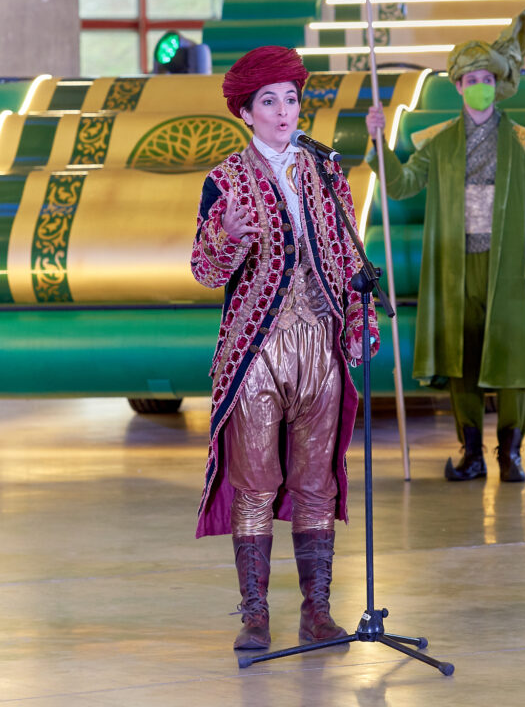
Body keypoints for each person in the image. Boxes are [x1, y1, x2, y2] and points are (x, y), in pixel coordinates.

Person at [191, 45, 378, 652]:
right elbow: (204, 270)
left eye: (290, 99)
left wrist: (359, 319)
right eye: (268, 101)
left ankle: (317, 611)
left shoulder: (326, 172)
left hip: (320, 344)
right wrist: (227, 236)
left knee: (316, 482)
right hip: (255, 351)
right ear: (245, 112)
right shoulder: (225, 180)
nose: (282, 111)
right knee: (255, 483)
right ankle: (255, 614)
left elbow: (349, 256)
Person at [365, 9, 525, 483]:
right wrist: (379, 144)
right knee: (461, 359)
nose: (480, 87)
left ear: (498, 84)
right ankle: (471, 453)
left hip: (508, 266)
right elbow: (402, 185)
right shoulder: (439, 143)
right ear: (458, 86)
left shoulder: (523, 144)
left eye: (487, 79)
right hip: (455, 266)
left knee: (512, 359)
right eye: (472, 80)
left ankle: (511, 454)